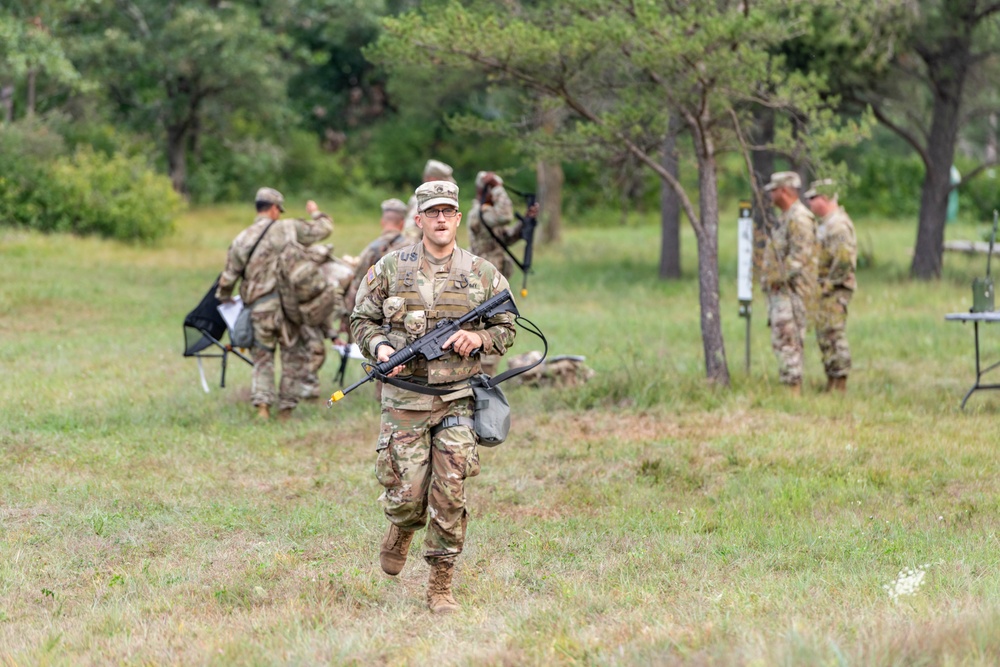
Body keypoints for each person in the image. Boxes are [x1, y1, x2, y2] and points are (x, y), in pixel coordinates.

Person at [351, 180, 516, 614]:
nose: (441, 219)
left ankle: (440, 585)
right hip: (404, 400)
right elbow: (361, 319)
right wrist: (383, 348)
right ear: (419, 219)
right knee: (408, 496)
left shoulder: (482, 272)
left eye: (448, 211)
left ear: (458, 218)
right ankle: (402, 529)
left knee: (450, 493)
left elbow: (507, 328)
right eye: (433, 212)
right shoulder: (389, 267)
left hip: (458, 397)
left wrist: (476, 339)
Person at [216, 187, 334, 420]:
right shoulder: (288, 227)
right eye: (278, 210)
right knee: (293, 356)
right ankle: (286, 409)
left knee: (262, 357)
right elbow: (324, 229)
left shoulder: (242, 238)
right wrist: (317, 213)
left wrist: (224, 296)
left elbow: (228, 276)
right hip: (290, 308)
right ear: (272, 209)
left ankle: (263, 407)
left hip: (260, 309)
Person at [761, 171, 817, 395]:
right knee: (783, 341)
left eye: (773, 190)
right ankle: (788, 389)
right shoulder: (786, 217)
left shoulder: (799, 218)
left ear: (784, 190)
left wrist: (774, 278)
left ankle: (792, 394)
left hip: (791, 294)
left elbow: (799, 258)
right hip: (781, 293)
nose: (771, 195)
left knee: (789, 342)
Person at [804, 179, 858, 393]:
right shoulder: (827, 223)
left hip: (834, 290)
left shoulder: (838, 225)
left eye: (813, 198)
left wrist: (828, 285)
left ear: (825, 198)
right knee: (825, 335)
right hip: (824, 290)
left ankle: (840, 383)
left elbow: (844, 261)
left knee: (834, 335)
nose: (809, 203)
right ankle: (831, 381)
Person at [403, 159, 455, 243]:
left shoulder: (416, 199)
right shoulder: (421, 201)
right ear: (433, 179)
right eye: (443, 181)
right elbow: (410, 232)